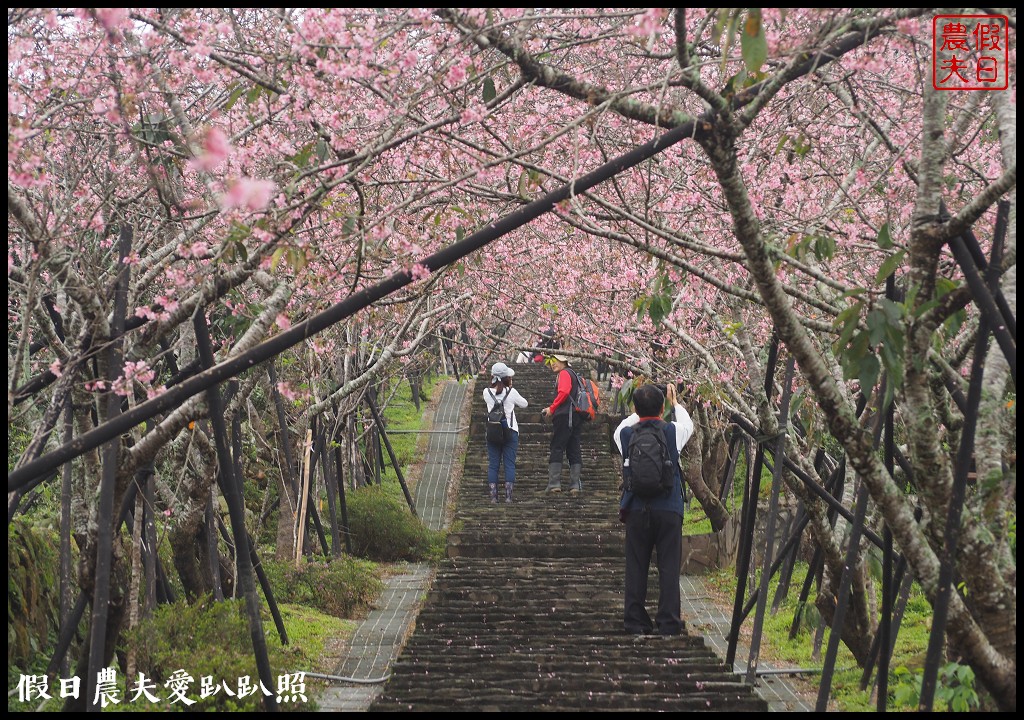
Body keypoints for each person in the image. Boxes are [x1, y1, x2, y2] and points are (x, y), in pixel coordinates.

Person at [612, 382, 694, 636]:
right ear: (662, 407)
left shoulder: (625, 434)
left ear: (635, 408)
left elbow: (621, 428)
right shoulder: (673, 431)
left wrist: (640, 407)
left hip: (636, 507)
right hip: (668, 508)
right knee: (669, 566)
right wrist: (675, 403)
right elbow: (689, 425)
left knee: (636, 565)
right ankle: (668, 622)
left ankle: (635, 621)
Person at [483, 362, 528, 503]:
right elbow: (524, 404)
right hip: (510, 431)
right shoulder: (511, 392)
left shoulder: (486, 392)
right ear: (506, 378)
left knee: (493, 465)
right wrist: (511, 390)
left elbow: (494, 395)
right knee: (509, 464)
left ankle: (493, 498)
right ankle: (508, 498)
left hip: (493, 431)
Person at [539, 353, 584, 494]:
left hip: (565, 416)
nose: (553, 363)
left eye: (556, 360)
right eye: (551, 361)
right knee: (573, 448)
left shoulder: (564, 373)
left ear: (564, 361)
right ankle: (574, 485)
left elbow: (564, 392)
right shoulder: (574, 374)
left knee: (557, 446)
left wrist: (551, 408)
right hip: (576, 416)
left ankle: (554, 484)